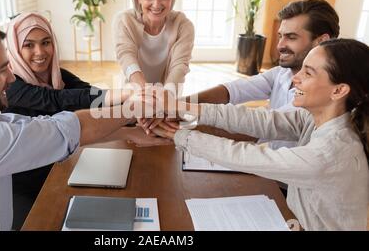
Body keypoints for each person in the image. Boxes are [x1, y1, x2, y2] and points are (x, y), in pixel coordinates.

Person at [0, 16, 159, 230]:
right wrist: (134, 108)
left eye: (46, 42)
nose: (11, 77)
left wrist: (130, 132)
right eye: (2, 69)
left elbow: (44, 123)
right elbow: (66, 127)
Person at [157, 39, 369, 230]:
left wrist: (180, 136)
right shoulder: (316, 119)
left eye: (308, 72)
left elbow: (246, 157)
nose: (295, 78)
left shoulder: (331, 153)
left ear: (339, 90)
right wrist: (183, 108)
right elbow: (260, 121)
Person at [4, 12, 171, 229]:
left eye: (46, 42)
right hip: (25, 185)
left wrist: (137, 122)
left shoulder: (57, 75)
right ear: (15, 49)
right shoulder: (11, 87)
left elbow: (90, 97)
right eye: (29, 45)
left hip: (59, 168)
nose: (40, 52)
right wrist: (124, 96)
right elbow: (58, 101)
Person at [168, 0, 340, 150]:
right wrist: (172, 107)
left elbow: (256, 128)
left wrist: (175, 123)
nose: (280, 45)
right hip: (273, 172)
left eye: (291, 37)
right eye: (280, 36)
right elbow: (230, 91)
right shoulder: (282, 73)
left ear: (322, 41)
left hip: (291, 185)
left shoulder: (322, 93)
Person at [114, 0, 194, 96]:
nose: (156, 5)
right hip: (133, 90)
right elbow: (126, 55)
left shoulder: (183, 25)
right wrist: (144, 91)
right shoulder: (124, 21)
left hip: (169, 93)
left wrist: (166, 95)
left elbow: (180, 65)